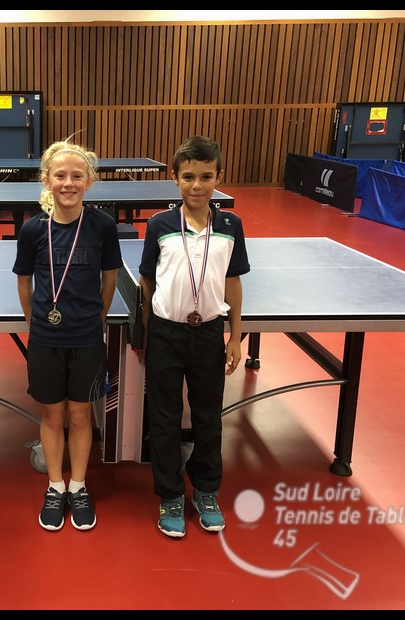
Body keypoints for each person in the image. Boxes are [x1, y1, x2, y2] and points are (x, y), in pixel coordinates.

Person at [137, 135, 250, 538]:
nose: (197, 185)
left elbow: (233, 283)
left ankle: (205, 490)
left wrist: (235, 336)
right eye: (188, 177)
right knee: (164, 418)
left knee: (208, 417)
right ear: (175, 178)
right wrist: (145, 334)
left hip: (209, 335)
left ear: (219, 177)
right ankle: (169, 494)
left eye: (206, 176)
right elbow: (147, 282)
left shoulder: (231, 226)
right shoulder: (159, 225)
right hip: (166, 333)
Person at [13, 138, 123, 531]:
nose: (68, 183)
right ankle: (55, 486)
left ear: (89, 182)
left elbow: (109, 279)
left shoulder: (102, 226)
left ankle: (78, 485)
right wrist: (36, 322)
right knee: (52, 414)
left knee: (79, 415)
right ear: (47, 180)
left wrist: (97, 317)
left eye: (77, 176)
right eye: (60, 175)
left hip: (87, 337)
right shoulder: (32, 230)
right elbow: (24, 282)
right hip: (46, 338)